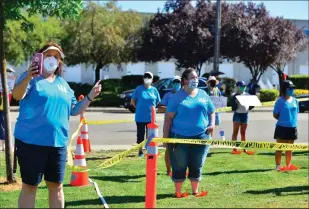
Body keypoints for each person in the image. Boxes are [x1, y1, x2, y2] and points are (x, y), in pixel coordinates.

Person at [12, 42, 102, 208]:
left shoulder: (63, 84)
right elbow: (17, 95)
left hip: (58, 144)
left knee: (56, 187)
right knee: (30, 187)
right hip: (30, 143)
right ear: (39, 57)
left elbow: (74, 110)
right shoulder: (30, 78)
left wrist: (90, 97)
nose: (52, 59)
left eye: (56, 56)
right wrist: (28, 76)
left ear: (60, 62)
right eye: (48, 55)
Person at [164, 68, 215, 198]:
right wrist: (165, 138)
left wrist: (211, 124)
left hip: (201, 137)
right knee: (179, 165)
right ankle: (178, 192)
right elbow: (168, 118)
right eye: (192, 78)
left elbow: (211, 111)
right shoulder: (176, 98)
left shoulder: (203, 94)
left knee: (197, 164)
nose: (195, 80)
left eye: (196, 77)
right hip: (179, 137)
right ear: (185, 80)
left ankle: (195, 191)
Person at [131, 72, 161, 157]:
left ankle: (149, 150)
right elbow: (133, 101)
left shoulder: (154, 90)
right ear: (143, 79)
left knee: (150, 135)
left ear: (152, 79)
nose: (147, 78)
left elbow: (158, 101)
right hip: (140, 117)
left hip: (151, 118)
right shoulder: (138, 89)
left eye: (149, 77)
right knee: (140, 135)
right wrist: (139, 107)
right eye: (145, 77)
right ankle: (140, 151)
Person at [273, 80, 299, 171]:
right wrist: (284, 120)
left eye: (293, 88)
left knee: (289, 149)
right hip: (281, 128)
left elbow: (295, 113)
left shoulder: (295, 101)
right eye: (290, 88)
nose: (292, 90)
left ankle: (288, 165)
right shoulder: (279, 101)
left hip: (292, 128)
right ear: (285, 89)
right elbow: (275, 114)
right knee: (279, 148)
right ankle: (278, 166)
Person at [158, 76, 181, 176]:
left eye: (178, 82)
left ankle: (179, 169)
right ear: (172, 84)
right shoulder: (168, 95)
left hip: (181, 126)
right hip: (169, 125)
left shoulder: (184, 95)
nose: (176, 84)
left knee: (181, 149)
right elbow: (160, 108)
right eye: (175, 82)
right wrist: (171, 108)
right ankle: (168, 170)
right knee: (169, 148)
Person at [230, 81, 255, 155]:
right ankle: (234, 149)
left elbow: (251, 106)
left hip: (245, 115)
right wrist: (236, 102)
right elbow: (233, 108)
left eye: (244, 86)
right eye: (241, 86)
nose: (243, 88)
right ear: (237, 87)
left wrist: (252, 103)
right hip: (237, 115)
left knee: (243, 133)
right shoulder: (234, 96)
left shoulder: (247, 95)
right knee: (235, 132)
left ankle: (244, 149)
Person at [0, 67, 16, 151]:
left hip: (3, 103)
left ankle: (3, 145)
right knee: (3, 123)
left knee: (3, 123)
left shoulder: (9, 78)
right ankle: (3, 145)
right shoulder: (10, 78)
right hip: (3, 103)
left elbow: (10, 90)